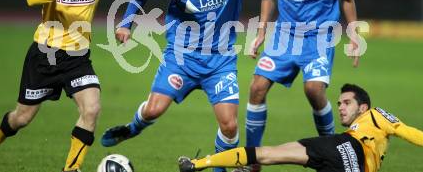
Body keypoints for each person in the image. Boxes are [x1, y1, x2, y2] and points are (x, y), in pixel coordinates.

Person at [0, 0, 182, 172]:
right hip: (46, 56)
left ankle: (71, 168)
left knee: (92, 108)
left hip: (77, 58)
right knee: (21, 118)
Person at [100, 0, 280, 172]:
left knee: (229, 125)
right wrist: (126, 23)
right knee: (153, 111)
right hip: (180, 58)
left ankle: (219, 169)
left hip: (219, 61)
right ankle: (132, 129)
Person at [243, 0, 359, 171]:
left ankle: (331, 150)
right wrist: (261, 32)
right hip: (284, 37)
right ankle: (251, 160)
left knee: (314, 91)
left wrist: (353, 34)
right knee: (256, 87)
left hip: (319, 37)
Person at [178, 83, 423, 172]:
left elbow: (407, 131)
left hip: (348, 148)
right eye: (339, 103)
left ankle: (199, 164)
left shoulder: (376, 114)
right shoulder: (359, 126)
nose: (340, 107)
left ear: (363, 107)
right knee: (268, 155)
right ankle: (198, 164)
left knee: (269, 155)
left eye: (347, 103)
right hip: (343, 154)